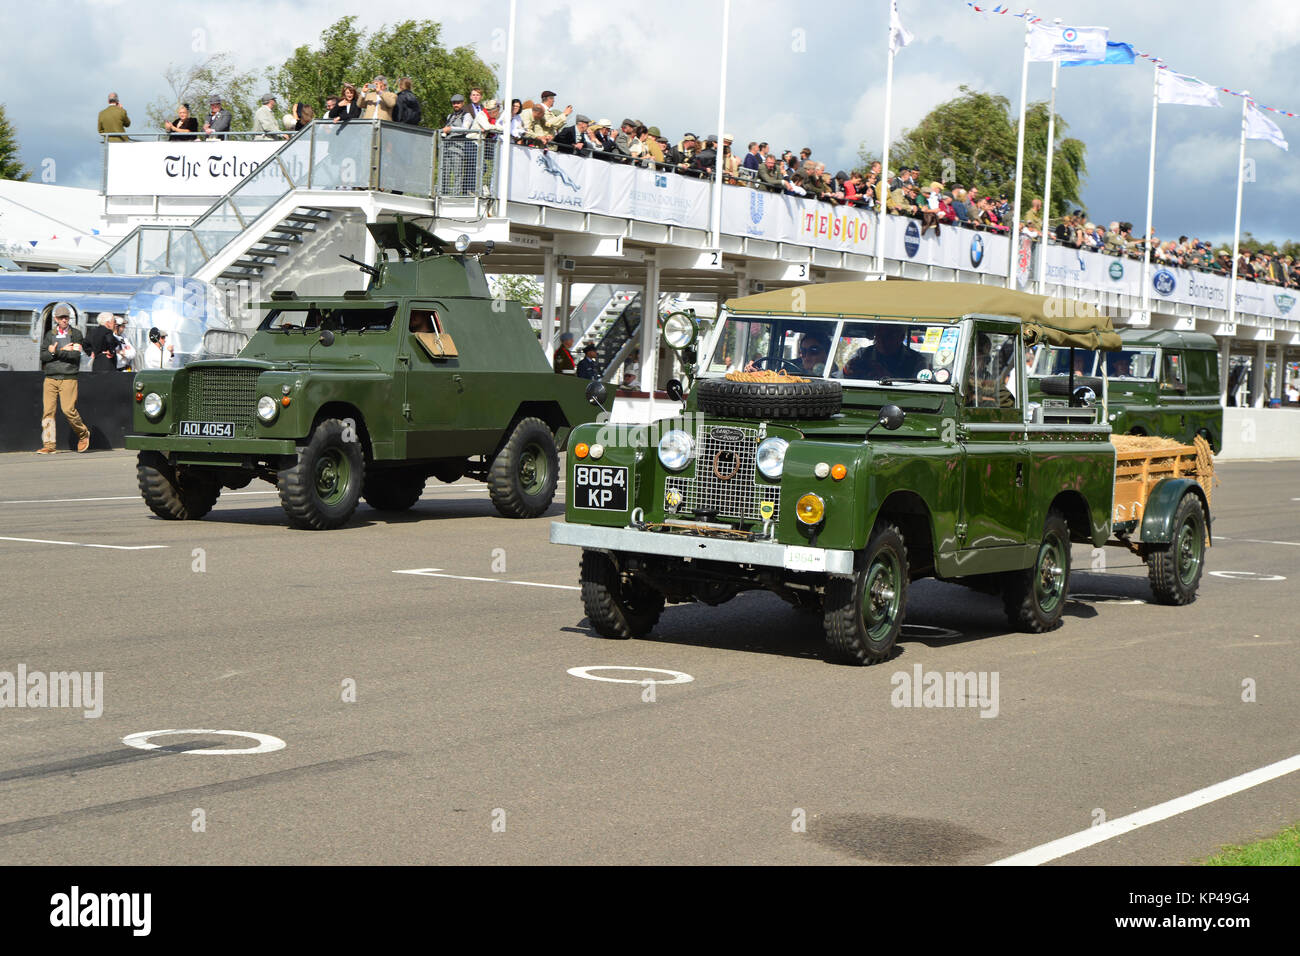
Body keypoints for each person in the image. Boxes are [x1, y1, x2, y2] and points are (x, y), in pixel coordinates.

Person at [38, 303, 91, 454]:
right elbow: (43, 356)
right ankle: (49, 445)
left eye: (66, 317)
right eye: (61, 318)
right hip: (50, 377)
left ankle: (83, 434)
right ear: (55, 319)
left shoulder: (76, 334)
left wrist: (56, 352)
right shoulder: (50, 335)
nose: (64, 320)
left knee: (68, 410)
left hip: (68, 377)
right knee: (48, 411)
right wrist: (60, 351)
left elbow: (74, 355)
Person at [844, 324, 926, 380]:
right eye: (879, 335)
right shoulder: (863, 354)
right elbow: (838, 378)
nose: (882, 340)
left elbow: (922, 387)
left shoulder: (916, 360)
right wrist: (847, 371)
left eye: (889, 335)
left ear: (901, 337)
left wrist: (888, 377)